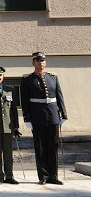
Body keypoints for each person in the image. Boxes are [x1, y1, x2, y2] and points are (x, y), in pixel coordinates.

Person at [20, 52, 67, 185]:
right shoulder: (27, 79)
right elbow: (25, 100)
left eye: (43, 60)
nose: (41, 63)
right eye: (38, 60)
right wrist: (27, 118)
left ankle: (53, 175)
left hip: (52, 115)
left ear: (45, 63)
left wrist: (63, 115)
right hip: (37, 115)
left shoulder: (53, 77)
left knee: (53, 146)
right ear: (33, 63)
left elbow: (59, 96)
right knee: (40, 147)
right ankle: (43, 176)